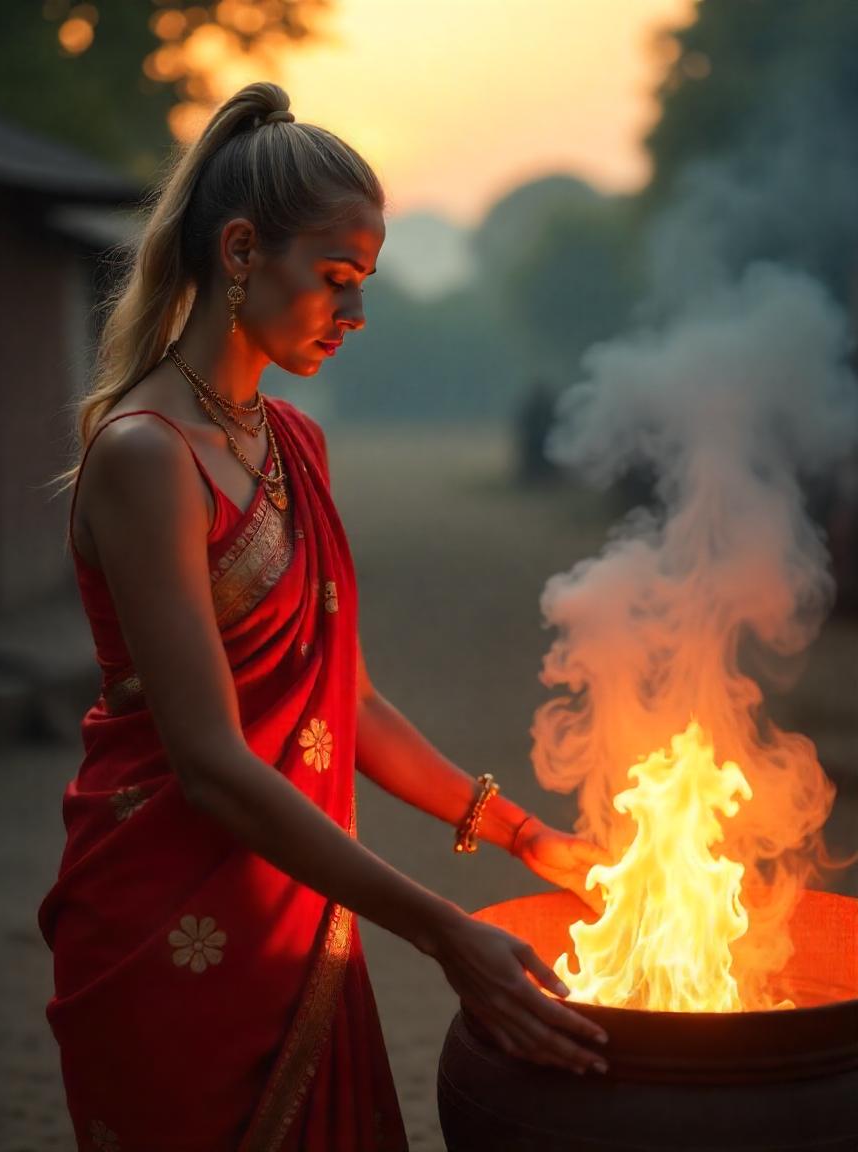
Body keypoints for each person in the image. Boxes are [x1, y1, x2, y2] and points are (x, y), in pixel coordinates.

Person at [38, 82, 609, 1152]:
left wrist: (525, 835)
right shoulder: (145, 457)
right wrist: (443, 932)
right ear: (243, 251)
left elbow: (337, 694)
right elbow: (209, 761)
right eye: (336, 281)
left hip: (299, 910)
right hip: (168, 921)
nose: (353, 317)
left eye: (365, 286)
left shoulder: (294, 444)